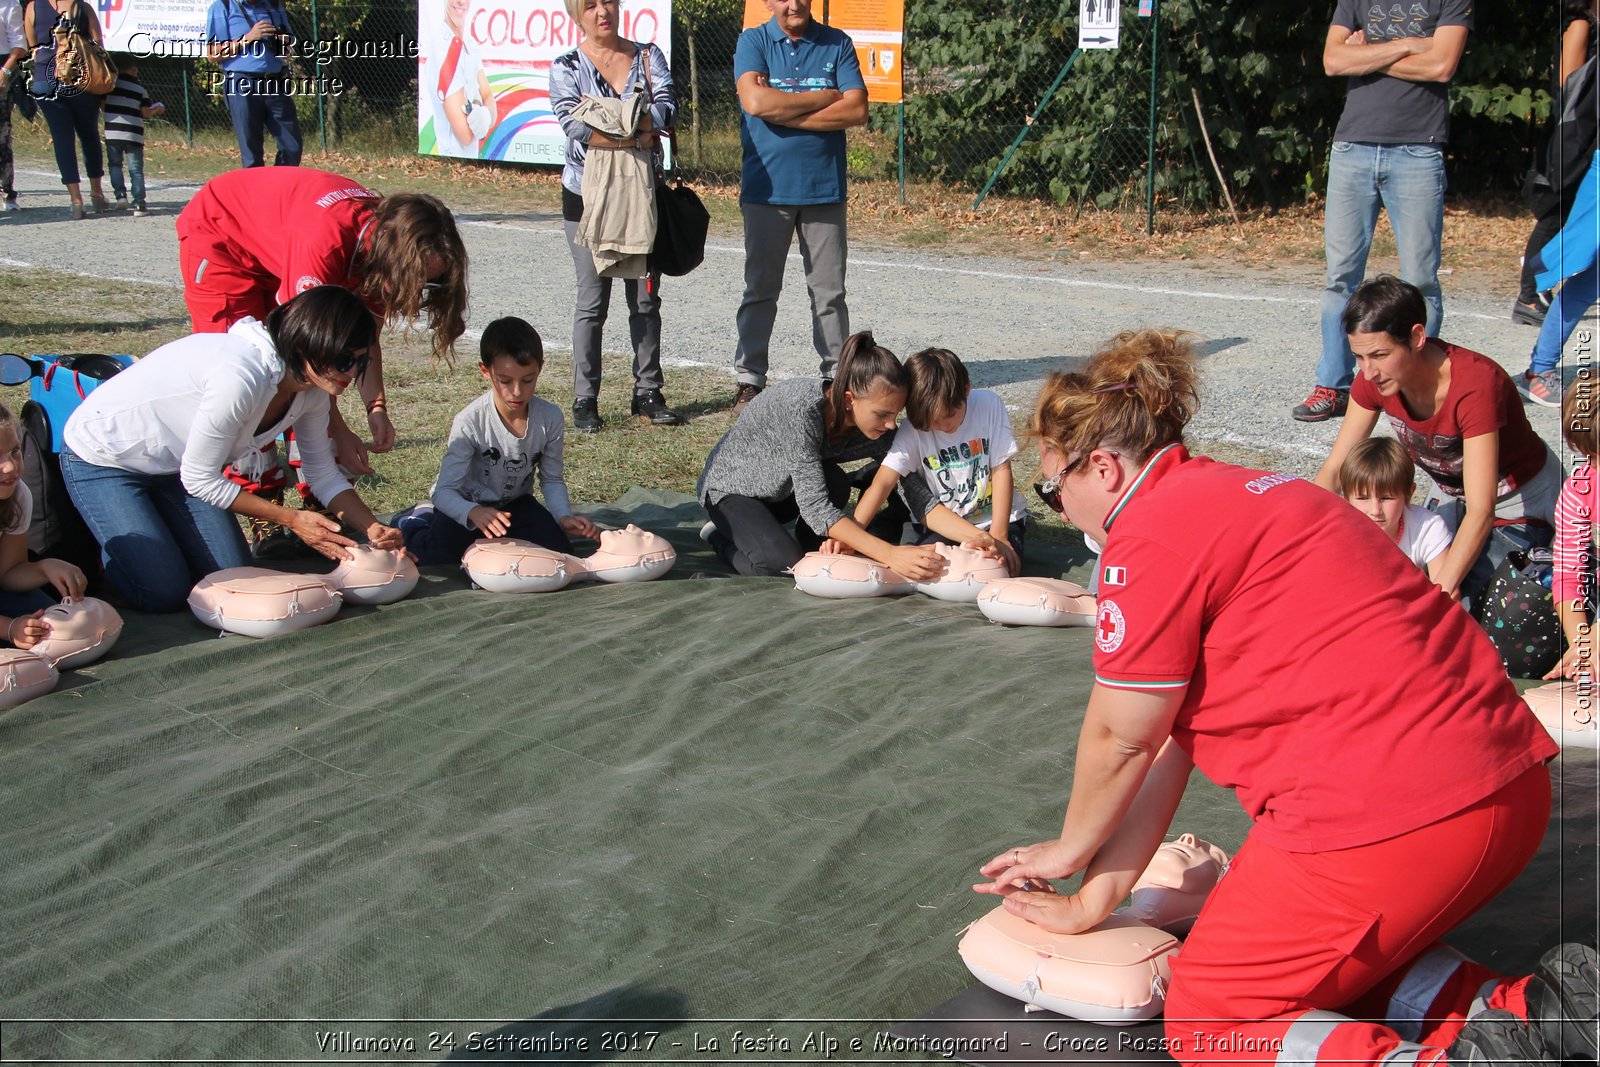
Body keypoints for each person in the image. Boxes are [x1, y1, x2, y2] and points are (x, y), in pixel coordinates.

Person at [974, 327, 1591, 1067]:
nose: (1060, 507)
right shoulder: (1261, 490)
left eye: (1054, 488)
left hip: (1395, 814)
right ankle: (1536, 1015)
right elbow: (1165, 745)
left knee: (1211, 1016)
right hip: (1503, 781)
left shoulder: (1151, 536)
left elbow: (1121, 738)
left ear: (1102, 467)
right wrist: (1093, 899)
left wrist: (1071, 848)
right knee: (1320, 962)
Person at [58, 286, 405, 614]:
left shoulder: (311, 390)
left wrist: (371, 526)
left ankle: (153, 535)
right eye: (346, 360)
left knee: (234, 575)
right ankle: (100, 548)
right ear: (308, 345)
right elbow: (200, 479)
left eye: (361, 363)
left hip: (177, 468)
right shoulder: (240, 378)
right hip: (105, 460)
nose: (353, 373)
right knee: (162, 591)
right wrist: (290, 519)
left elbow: (321, 473)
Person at [175, 167, 468, 548]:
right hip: (222, 238)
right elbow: (307, 357)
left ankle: (323, 500)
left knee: (321, 369)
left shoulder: (385, 249)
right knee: (261, 377)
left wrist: (375, 407)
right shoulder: (324, 242)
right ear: (400, 261)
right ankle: (264, 506)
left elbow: (362, 339)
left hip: (279, 236)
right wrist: (340, 430)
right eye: (418, 281)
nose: (420, 292)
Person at [1314, 276, 1561, 604]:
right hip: (1453, 494)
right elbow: (1334, 468)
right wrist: (1298, 540)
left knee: (1481, 608)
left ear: (1416, 337)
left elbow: (1482, 509)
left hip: (1520, 500)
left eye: (1379, 354)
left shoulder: (1475, 386)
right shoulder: (1377, 378)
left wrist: (1436, 601)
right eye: (1359, 358)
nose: (1368, 371)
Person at [1291, 0, 1470, 423]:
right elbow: (1334, 61)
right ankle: (1334, 385)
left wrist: (1370, 54)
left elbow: (1442, 66)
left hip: (1418, 149)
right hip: (1353, 146)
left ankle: (1420, 387)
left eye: (1408, 40)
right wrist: (1410, 45)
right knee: (1340, 278)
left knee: (1421, 280)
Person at [697, 330, 942, 578]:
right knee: (781, 564)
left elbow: (911, 487)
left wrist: (975, 535)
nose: (891, 425)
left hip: (782, 490)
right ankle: (719, 537)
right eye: (882, 414)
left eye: (896, 414)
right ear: (849, 399)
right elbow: (816, 508)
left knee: (835, 481)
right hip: (731, 492)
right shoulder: (801, 410)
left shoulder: (880, 429)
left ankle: (808, 544)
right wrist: (889, 554)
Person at [549, 0, 683, 433]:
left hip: (643, 195)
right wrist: (636, 128)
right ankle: (585, 399)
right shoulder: (566, 65)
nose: (602, 11)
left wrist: (609, 121)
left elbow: (667, 111)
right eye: (590, 4)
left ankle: (648, 391)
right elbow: (575, 127)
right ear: (576, 13)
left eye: (608, 1)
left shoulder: (648, 56)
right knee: (592, 300)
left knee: (645, 299)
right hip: (585, 197)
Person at [729, 0, 867, 414]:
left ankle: (835, 381)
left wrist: (785, 113)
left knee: (829, 294)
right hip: (766, 190)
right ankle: (749, 380)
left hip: (824, 189)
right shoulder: (753, 41)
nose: (793, 4)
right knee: (760, 289)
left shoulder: (836, 42)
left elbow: (857, 108)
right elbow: (756, 103)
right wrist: (824, 98)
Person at [398, 317, 600, 566]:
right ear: (486, 371)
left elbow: (551, 478)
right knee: (437, 557)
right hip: (465, 503)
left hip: (514, 505)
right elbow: (444, 492)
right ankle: (417, 519)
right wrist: (472, 512)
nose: (517, 392)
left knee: (558, 551)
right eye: (505, 381)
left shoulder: (550, 417)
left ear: (540, 368)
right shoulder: (470, 421)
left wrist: (563, 516)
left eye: (528, 380)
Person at [847, 347, 1024, 575]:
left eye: (949, 415)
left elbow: (1001, 470)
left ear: (966, 390)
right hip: (946, 524)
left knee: (995, 570)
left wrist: (999, 536)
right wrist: (852, 535)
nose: (944, 427)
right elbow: (883, 482)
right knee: (925, 568)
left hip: (996, 521)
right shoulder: (912, 429)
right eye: (932, 423)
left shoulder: (988, 405)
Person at [1515, 0, 1598, 328]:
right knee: (1555, 214)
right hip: (1574, 134)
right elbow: (1569, 87)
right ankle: (1528, 296)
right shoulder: (1582, 26)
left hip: (1590, 134)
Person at [0, 403, 86, 648]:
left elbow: (7, 573)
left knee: (56, 625)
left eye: (15, 451)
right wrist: (9, 628)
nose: (10, 466)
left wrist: (45, 567)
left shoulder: (17, 496)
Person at [25, 0, 111, 219]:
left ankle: (75, 200)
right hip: (81, 79)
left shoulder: (33, 7)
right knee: (89, 135)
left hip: (46, 80)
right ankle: (97, 193)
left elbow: (33, 46)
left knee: (62, 139)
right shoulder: (83, 7)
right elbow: (98, 43)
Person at [204, 0, 302, 169]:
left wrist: (282, 43)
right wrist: (248, 37)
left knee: (292, 145)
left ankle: (278, 188)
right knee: (251, 151)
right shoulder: (223, 7)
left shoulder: (273, 6)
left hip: (274, 81)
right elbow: (213, 54)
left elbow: (289, 48)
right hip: (242, 82)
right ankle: (256, 192)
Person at [1338, 436, 1451, 580]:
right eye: (1363, 498)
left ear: (1409, 493)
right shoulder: (1334, 531)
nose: (1375, 510)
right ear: (1345, 496)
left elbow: (1448, 594)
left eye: (1386, 498)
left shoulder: (1427, 527)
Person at [1546, 373, 1599, 680]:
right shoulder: (1579, 491)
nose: (1594, 467)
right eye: (1590, 455)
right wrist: (1581, 643)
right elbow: (1568, 574)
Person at [427, 0, 496, 158]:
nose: (461, 2)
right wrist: (480, 108)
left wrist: (485, 114)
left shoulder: (469, 43)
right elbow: (465, 135)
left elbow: (488, 97)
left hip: (472, 160)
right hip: (452, 159)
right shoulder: (442, 49)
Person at [103, 56, 163, 216]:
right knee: (136, 170)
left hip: (113, 132)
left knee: (115, 165)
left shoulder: (109, 85)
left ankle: (120, 196)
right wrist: (156, 109)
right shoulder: (140, 89)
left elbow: (102, 104)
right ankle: (139, 203)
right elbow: (145, 112)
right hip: (134, 134)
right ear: (134, 70)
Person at [0, 0, 24, 216]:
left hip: (1, 71)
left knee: (2, 137)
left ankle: (8, 192)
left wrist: (5, 71)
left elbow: (19, 45)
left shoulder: (9, 4)